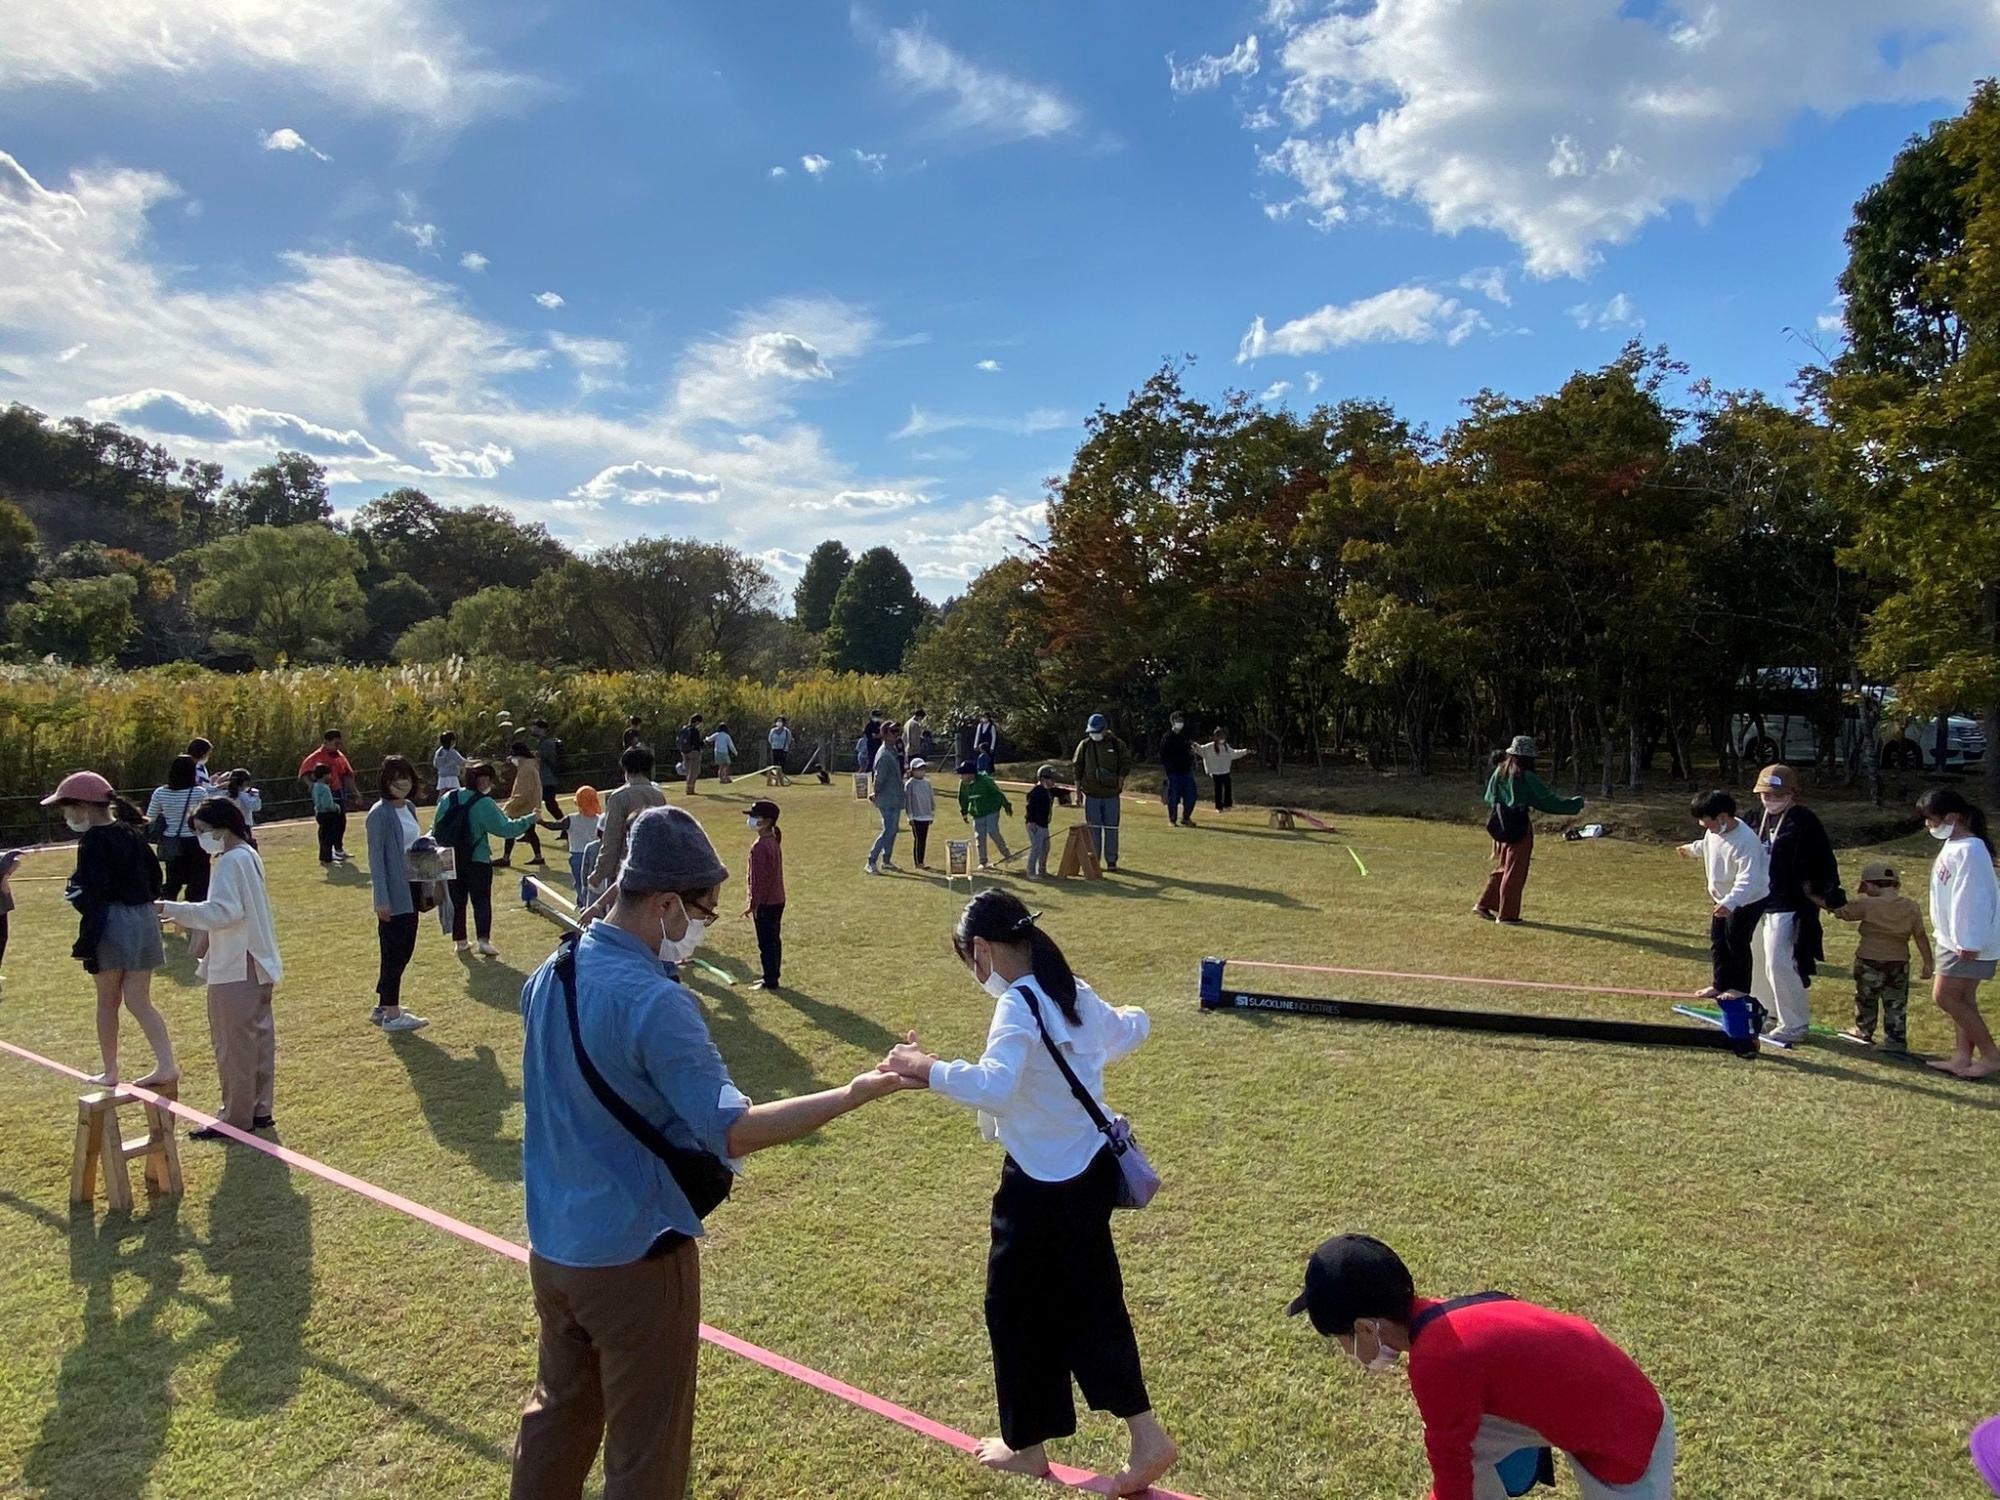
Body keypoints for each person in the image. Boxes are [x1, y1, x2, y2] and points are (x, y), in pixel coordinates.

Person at [510, 805, 917, 1499]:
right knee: (647, 1454)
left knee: (558, 1417)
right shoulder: (656, 1002)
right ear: (666, 903)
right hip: (636, 1258)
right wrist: (855, 1091)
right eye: (702, 911)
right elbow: (732, 1129)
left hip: (554, 1249)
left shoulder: (552, 972)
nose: (702, 928)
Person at [879, 891, 1175, 1497]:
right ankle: (1049, 1443)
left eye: (969, 961)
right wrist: (1132, 1018)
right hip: (1085, 1177)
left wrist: (923, 1065)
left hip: (1041, 1189)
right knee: (1080, 1304)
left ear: (981, 950)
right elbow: (1125, 1028)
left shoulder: (1020, 1002)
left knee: (1018, 1308)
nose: (973, 975)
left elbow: (994, 1084)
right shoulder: (1072, 991)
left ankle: (1097, 1442)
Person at [1286, 1233, 1674, 1500]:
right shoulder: (1442, 1319)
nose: (1346, 1349)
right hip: (1618, 1410)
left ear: (1365, 1328)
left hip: (1627, 1436)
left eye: (1343, 1339)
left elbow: (1452, 1467)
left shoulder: (1438, 1359)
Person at [43, 771, 175, 1088]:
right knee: (140, 1001)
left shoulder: (91, 841)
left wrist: (77, 895)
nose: (66, 816)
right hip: (144, 920)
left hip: (113, 923)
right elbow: (155, 877)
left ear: (82, 808)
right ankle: (166, 1064)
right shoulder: (131, 833)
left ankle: (111, 1071)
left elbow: (92, 892)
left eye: (66, 808)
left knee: (107, 1001)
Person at [160, 797, 281, 1138]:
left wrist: (171, 909)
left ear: (222, 828)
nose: (201, 838)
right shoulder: (248, 855)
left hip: (236, 963)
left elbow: (223, 912)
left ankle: (236, 1118)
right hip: (257, 960)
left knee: (233, 1044)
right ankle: (259, 1110)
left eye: (203, 831)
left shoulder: (230, 860)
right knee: (257, 1041)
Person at [1751, 764, 1842, 1046]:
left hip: (1790, 903)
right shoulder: (1754, 818)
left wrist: (1827, 893)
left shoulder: (1803, 820)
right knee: (1758, 962)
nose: (1771, 800)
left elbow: (1821, 859)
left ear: (1792, 793)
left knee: (1780, 962)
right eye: (1766, 794)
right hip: (1756, 902)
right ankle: (1766, 1012)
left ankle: (1794, 1022)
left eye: (1777, 794)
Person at [1918, 787, 2000, 1078]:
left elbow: (1972, 896)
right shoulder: (1956, 845)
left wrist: (1968, 940)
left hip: (1965, 940)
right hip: (1951, 937)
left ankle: (1991, 1055)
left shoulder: (1970, 849)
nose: (1929, 826)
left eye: (1932, 820)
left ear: (1953, 817)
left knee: (1945, 997)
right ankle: (1962, 1057)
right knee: (1963, 1000)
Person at [1474, 736, 1584, 925]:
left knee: (1502, 868)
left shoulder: (1499, 771)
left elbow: (1489, 797)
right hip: (1519, 827)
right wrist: (1575, 804)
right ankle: (1507, 915)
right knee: (1515, 872)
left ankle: (1484, 904)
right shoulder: (1526, 776)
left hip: (1499, 826)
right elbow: (1548, 801)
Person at [1823, 859, 1930, 1051]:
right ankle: (1895, 1039)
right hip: (1899, 960)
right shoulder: (1911, 906)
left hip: (1869, 958)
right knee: (1896, 1001)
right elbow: (1920, 935)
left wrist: (1815, 898)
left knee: (1866, 998)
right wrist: (1928, 963)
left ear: (1871, 884)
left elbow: (1841, 912)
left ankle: (1863, 1030)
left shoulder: (1866, 904)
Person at [434, 761, 538, 957]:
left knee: (457, 901)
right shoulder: (484, 803)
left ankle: (460, 941)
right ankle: (483, 940)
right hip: (477, 859)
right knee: (481, 900)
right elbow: (505, 829)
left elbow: (436, 826)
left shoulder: (449, 797)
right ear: (483, 780)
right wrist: (530, 819)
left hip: (450, 858)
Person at [1675, 790, 1769, 1001]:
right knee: (1718, 940)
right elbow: (1709, 846)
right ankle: (1720, 984)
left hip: (1748, 899)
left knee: (1736, 941)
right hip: (1724, 898)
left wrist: (1731, 902)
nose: (1707, 829)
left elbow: (1749, 879)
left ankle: (1740, 987)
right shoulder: (1714, 832)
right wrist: (1691, 850)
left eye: (1709, 823)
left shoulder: (1746, 841)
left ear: (1724, 817)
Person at [366, 756, 434, 1034]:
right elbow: (376, 860)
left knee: (399, 949)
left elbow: (411, 844)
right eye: (395, 779)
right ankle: (393, 1015)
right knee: (397, 950)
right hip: (394, 893)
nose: (401, 784)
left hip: (413, 886)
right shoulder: (378, 814)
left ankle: (383, 1006)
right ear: (385, 781)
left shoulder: (409, 807)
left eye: (405, 777)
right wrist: (381, 898)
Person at [591, 744, 667, 895]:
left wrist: (599, 872)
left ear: (625, 769)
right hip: (655, 867)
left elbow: (612, 839)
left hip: (628, 867)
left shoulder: (619, 797)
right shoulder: (658, 795)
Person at [147, 753, 211, 901]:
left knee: (173, 882)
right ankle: (193, 914)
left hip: (172, 841)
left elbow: (150, 817)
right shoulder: (199, 792)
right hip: (196, 841)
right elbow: (208, 817)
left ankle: (167, 911)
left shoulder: (160, 793)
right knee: (199, 882)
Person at [1072, 714, 1130, 872]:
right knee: (1093, 830)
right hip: (1091, 795)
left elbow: (1126, 762)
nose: (1094, 734)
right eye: (1091, 731)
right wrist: (1078, 793)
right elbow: (1077, 769)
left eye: (1097, 731)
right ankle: (1094, 860)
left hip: (1112, 795)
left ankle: (1112, 861)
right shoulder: (1084, 745)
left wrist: (1120, 779)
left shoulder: (1117, 744)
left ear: (1104, 729)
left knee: (1112, 829)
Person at [744, 799, 785, 990]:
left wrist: (753, 903)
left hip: (766, 903)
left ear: (767, 821)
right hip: (777, 899)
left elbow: (759, 880)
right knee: (774, 940)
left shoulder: (760, 847)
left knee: (766, 942)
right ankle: (773, 975)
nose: (751, 821)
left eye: (755, 817)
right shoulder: (773, 841)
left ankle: (770, 979)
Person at [543, 785, 602, 901]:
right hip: (596, 853)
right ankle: (592, 901)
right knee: (595, 881)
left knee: (580, 881)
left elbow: (554, 826)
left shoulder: (571, 819)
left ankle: (582, 901)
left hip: (578, 854)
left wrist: (540, 821)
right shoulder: (600, 819)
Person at [865, 721, 906, 874]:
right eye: (893, 731)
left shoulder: (892, 751)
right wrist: (875, 793)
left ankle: (886, 860)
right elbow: (879, 778)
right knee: (889, 830)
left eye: (898, 731)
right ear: (885, 734)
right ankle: (871, 860)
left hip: (894, 797)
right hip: (886, 798)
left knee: (892, 830)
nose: (897, 734)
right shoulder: (884, 754)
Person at [958, 759, 1015, 868]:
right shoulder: (963, 784)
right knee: (980, 836)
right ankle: (983, 862)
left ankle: (1007, 854)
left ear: (971, 774)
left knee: (992, 831)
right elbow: (963, 798)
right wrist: (964, 812)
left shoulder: (985, 780)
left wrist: (1006, 805)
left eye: (963, 774)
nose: (961, 777)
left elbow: (997, 793)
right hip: (977, 812)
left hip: (991, 809)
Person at [500, 742, 548, 869]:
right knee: (530, 832)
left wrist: (509, 805)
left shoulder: (526, 769)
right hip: (530, 804)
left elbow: (522, 792)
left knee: (511, 830)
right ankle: (538, 856)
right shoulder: (529, 766)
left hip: (523, 806)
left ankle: (506, 858)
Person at [299, 727, 357, 817]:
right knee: (328, 820)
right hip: (324, 792)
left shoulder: (340, 756)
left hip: (339, 791)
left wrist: (355, 793)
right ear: (327, 742)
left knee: (340, 821)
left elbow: (348, 774)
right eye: (336, 744)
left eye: (339, 744)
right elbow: (303, 772)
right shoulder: (316, 756)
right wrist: (311, 785)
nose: (338, 747)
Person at [1195, 728, 1251, 814]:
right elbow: (1201, 750)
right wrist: (1194, 745)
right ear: (1215, 737)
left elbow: (1234, 753)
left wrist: (1245, 751)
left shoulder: (1226, 747)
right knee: (1218, 789)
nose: (1222, 738)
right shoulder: (1209, 747)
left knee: (1228, 787)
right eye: (1220, 736)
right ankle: (1219, 807)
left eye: (1223, 736)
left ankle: (1228, 804)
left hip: (1225, 771)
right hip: (1215, 772)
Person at [1158, 714, 1198, 828]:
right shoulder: (1167, 737)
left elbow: (1190, 750)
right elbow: (1162, 755)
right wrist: (1169, 768)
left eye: (1181, 720)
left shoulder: (1185, 737)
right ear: (1172, 722)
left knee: (1191, 795)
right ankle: (1172, 819)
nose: (1180, 723)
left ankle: (1186, 818)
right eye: (1178, 720)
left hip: (1186, 771)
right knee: (1173, 797)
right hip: (1173, 772)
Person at [1025, 765, 1059, 878]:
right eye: (1052, 779)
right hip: (1035, 824)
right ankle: (1031, 871)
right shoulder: (1036, 792)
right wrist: (1031, 821)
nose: (1054, 782)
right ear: (1043, 779)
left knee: (1046, 847)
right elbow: (1030, 807)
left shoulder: (1047, 791)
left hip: (1044, 824)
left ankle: (1042, 870)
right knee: (1036, 848)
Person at [310, 765, 346, 866]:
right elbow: (328, 804)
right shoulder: (325, 788)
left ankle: (324, 856)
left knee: (323, 835)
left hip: (319, 813)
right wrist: (336, 807)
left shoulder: (315, 786)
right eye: (329, 774)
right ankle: (328, 857)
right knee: (329, 836)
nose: (330, 776)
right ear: (324, 775)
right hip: (327, 814)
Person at [906, 758, 938, 869]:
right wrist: (910, 816)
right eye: (918, 769)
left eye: (922, 768)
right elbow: (908, 802)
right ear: (913, 770)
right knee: (918, 839)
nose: (921, 771)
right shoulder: (910, 784)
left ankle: (921, 861)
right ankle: (918, 862)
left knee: (923, 839)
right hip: (916, 816)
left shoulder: (927, 783)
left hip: (926, 815)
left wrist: (932, 813)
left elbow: (931, 798)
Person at [533, 718, 566, 822]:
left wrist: (537, 756)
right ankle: (530, 832)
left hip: (547, 779)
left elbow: (551, 759)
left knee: (551, 805)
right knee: (533, 805)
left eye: (536, 728)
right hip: (542, 779)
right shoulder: (541, 743)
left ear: (543, 729)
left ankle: (564, 825)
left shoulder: (547, 743)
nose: (533, 730)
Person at [434, 730, 467, 799]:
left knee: (442, 795)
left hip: (442, 777)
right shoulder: (452, 752)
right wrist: (477, 761)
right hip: (452, 777)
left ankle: (439, 807)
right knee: (456, 794)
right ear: (451, 741)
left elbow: (435, 764)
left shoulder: (439, 752)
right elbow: (463, 762)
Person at [677, 714, 705, 795]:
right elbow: (697, 743)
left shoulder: (684, 728)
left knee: (688, 771)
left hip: (684, 752)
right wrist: (704, 743)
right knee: (694, 772)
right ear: (696, 722)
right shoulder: (694, 730)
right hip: (694, 752)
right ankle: (690, 789)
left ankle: (689, 788)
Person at [706, 721, 736, 786]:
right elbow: (731, 745)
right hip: (724, 752)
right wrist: (735, 752)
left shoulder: (716, 734)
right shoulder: (726, 736)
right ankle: (726, 778)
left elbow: (709, 739)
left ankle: (721, 779)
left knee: (721, 766)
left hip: (717, 752)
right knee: (727, 765)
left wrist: (706, 738)